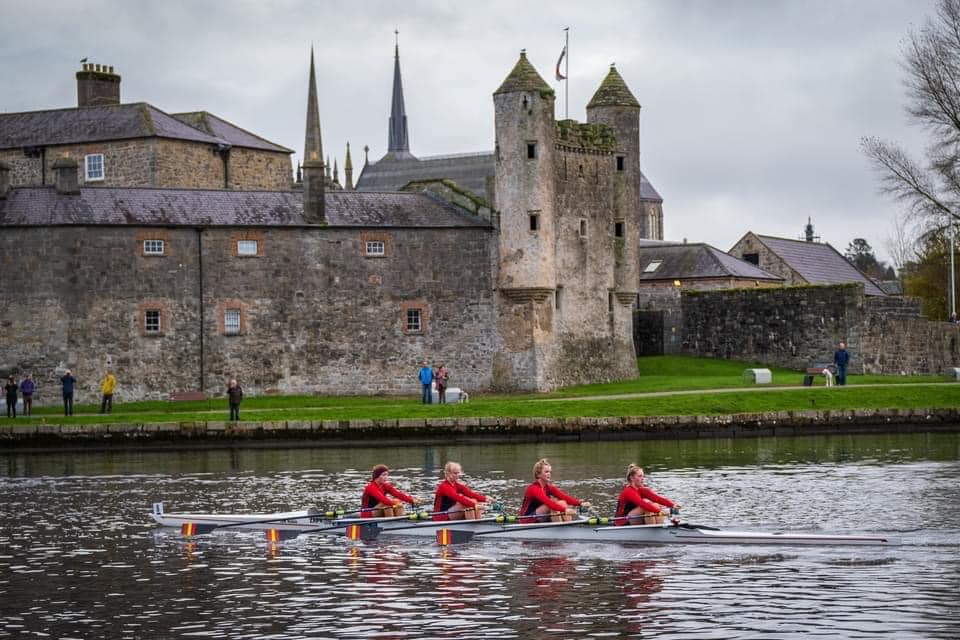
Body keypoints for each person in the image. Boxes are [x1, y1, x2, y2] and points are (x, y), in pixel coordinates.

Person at [520, 458, 590, 523]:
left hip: (541, 516)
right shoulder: (534, 488)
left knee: (562, 502)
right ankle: (560, 531)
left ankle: (568, 527)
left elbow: (564, 497)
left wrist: (580, 504)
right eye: (546, 472)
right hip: (527, 519)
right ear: (538, 474)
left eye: (550, 472)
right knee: (552, 504)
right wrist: (565, 510)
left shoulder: (549, 487)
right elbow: (548, 502)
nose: (549, 474)